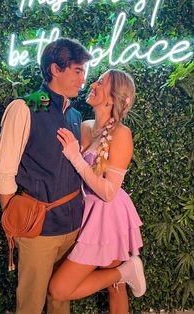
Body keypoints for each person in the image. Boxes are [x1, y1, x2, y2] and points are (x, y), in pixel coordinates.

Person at [0, 38, 92, 314]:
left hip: (72, 225)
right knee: (31, 304)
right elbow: (4, 172)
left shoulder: (74, 114)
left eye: (84, 71)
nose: (82, 79)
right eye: (76, 70)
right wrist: (16, 223)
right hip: (38, 229)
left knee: (61, 298)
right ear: (54, 69)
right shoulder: (24, 108)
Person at [49, 69, 146, 314]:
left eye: (101, 82)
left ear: (112, 98)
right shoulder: (84, 126)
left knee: (59, 289)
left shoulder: (121, 134)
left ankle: (126, 270)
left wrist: (75, 157)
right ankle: (123, 273)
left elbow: (109, 192)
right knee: (115, 286)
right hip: (85, 211)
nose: (93, 83)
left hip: (107, 215)